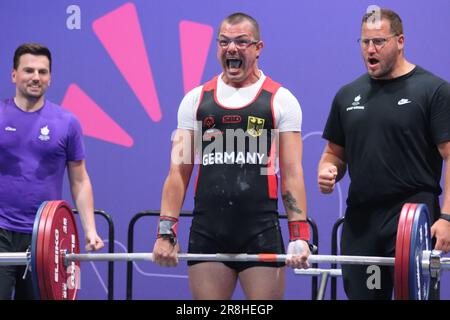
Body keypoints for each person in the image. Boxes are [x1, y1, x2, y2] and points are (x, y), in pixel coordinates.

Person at [152, 12, 311, 299]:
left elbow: (292, 173)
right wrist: (166, 232)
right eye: (224, 42)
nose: (231, 49)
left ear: (258, 48)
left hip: (260, 231)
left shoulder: (281, 100)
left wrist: (299, 236)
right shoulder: (195, 100)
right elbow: (178, 172)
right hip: (208, 231)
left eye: (241, 42)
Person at [318, 8, 450, 300]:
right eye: (364, 42)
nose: (370, 50)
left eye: (378, 42)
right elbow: (334, 154)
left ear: (400, 41)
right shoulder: (347, 95)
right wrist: (329, 170)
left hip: (412, 220)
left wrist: (448, 217)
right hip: (363, 224)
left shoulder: (434, 91)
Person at [0, 43, 104, 300]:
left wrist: (90, 230)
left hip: (44, 238)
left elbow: (79, 180)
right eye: (29, 70)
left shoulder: (67, 123)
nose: (36, 77)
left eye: (42, 72)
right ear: (14, 74)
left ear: (50, 77)